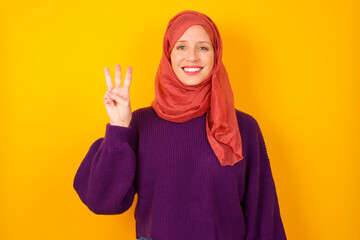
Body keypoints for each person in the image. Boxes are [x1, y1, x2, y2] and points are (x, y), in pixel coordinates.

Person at [73, 10, 287, 240]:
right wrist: (118, 127)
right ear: (168, 54)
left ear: (216, 55)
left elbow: (263, 217)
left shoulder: (244, 127)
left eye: (203, 47)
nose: (192, 57)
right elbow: (103, 201)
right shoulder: (138, 124)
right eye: (181, 47)